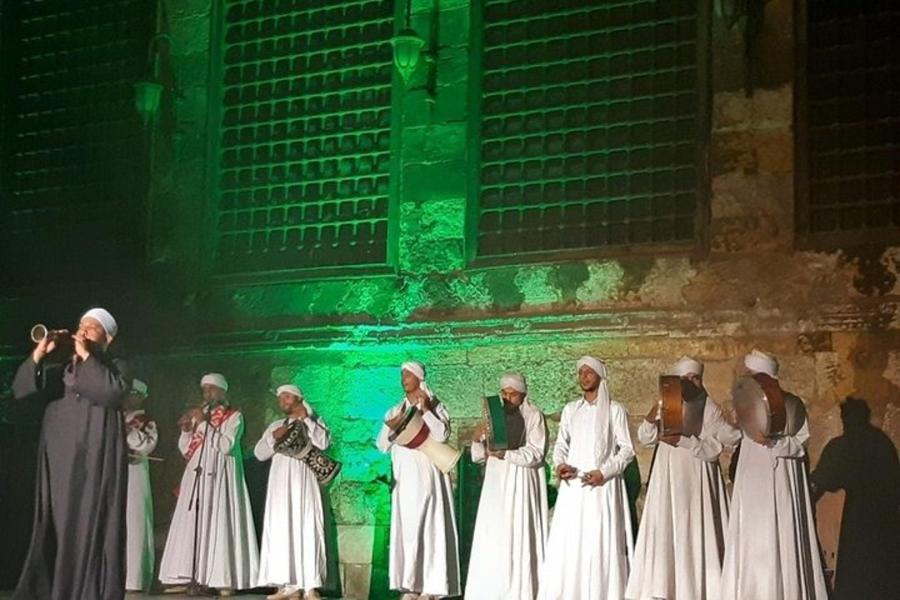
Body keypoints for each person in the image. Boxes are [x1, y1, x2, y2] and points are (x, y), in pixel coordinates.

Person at [12, 307, 131, 600]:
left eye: (92, 327)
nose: (84, 330)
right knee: (56, 525)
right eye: (81, 325)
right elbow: (22, 392)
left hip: (92, 463)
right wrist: (40, 354)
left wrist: (87, 356)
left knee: (86, 524)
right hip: (59, 459)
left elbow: (111, 392)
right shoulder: (61, 369)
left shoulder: (115, 366)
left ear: (108, 338)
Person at [625, 356, 738, 600]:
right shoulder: (667, 405)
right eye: (685, 378)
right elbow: (645, 437)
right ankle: (665, 587)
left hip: (697, 477)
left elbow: (719, 445)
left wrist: (686, 441)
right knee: (668, 526)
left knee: (696, 527)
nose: (691, 382)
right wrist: (653, 414)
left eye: (695, 378)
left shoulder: (709, 407)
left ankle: (699, 588)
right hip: (668, 475)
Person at [720, 350, 828, 600]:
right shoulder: (746, 405)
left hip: (781, 480)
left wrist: (773, 443)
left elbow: (800, 443)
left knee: (781, 533)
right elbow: (731, 437)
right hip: (752, 480)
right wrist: (733, 422)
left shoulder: (792, 404)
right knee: (754, 535)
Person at [538, 356, 635, 600]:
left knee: (599, 539)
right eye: (581, 372)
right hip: (574, 486)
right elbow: (561, 444)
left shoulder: (615, 409)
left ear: (600, 376)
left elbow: (627, 449)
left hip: (603, 486)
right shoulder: (572, 409)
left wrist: (605, 472)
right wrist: (560, 465)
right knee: (572, 538)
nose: (584, 376)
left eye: (589, 372)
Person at [158, 373, 259, 596]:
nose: (207, 393)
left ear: (223, 391)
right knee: (192, 523)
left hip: (221, 476)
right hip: (197, 475)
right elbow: (187, 449)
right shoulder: (201, 415)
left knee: (219, 522)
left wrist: (203, 423)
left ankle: (223, 579)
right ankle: (187, 576)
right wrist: (187, 430)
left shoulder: (234, 416)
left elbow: (225, 445)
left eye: (212, 388)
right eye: (204, 389)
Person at [376, 361, 461, 600]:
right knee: (409, 530)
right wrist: (392, 426)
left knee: (430, 527)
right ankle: (410, 585)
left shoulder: (435, 406)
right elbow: (381, 445)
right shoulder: (395, 410)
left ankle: (431, 587)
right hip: (404, 479)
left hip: (428, 476)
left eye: (408, 374)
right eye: (402, 374)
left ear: (419, 378)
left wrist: (425, 411)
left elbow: (441, 435)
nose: (403, 378)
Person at [465, 372, 548, 600]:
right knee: (494, 534)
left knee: (517, 534)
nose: (508, 398)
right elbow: (478, 456)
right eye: (504, 393)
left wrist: (507, 454)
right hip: (495, 481)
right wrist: (476, 439)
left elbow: (536, 452)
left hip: (520, 479)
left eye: (512, 394)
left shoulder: (533, 416)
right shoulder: (494, 419)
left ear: (522, 394)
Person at [810, 397, 900, 600]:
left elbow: (824, 478)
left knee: (858, 579)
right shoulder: (882, 443)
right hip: (886, 523)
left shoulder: (847, 445)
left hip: (861, 523)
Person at [255, 384, 332, 600]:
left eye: (287, 397)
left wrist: (307, 419)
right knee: (282, 529)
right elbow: (260, 454)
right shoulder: (276, 425)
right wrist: (273, 438)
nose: (282, 401)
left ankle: (310, 586)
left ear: (298, 399)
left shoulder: (314, 422)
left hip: (304, 481)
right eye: (280, 398)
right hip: (280, 486)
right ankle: (287, 585)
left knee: (307, 526)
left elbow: (323, 443)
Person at [123, 378, 158, 593]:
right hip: (114, 475)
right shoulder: (114, 416)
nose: (129, 397)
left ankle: (135, 579)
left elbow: (145, 446)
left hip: (134, 475)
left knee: (135, 522)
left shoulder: (145, 420)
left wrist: (127, 430)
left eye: (134, 394)